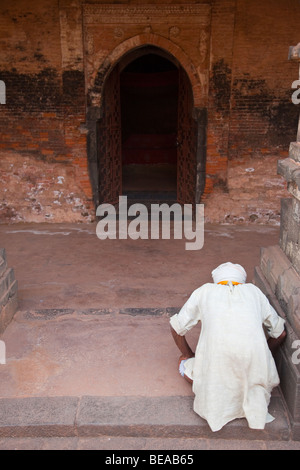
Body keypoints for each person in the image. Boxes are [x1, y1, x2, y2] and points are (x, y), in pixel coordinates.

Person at [170, 262, 286, 432]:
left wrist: (188, 354)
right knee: (256, 371)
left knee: (185, 366)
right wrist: (265, 353)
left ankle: (207, 385)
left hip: (216, 374)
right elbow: (280, 333)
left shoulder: (205, 291)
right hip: (253, 370)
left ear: (217, 280)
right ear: (242, 281)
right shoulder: (254, 292)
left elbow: (176, 327)